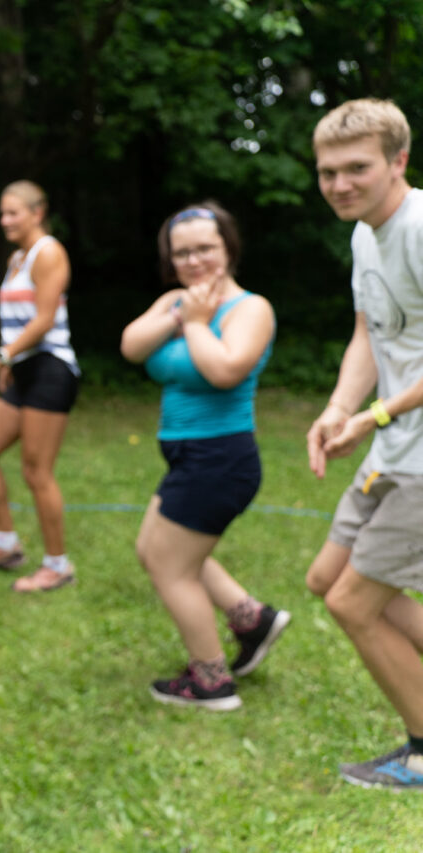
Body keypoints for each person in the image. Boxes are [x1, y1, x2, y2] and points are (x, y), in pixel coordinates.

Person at [119, 201, 289, 711]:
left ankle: (212, 681)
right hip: (189, 458)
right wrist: (179, 313)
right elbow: (131, 345)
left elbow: (226, 370)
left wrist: (193, 323)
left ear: (229, 249)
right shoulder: (176, 300)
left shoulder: (250, 309)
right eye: (182, 253)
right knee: (154, 548)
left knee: (172, 568)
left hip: (222, 458)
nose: (193, 261)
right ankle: (251, 619)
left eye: (205, 250)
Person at [304, 97, 423, 789]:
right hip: (392, 446)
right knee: (328, 580)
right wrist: (339, 406)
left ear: (397, 160)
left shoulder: (418, 227)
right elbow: (368, 335)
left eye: (357, 168)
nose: (340, 184)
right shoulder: (362, 234)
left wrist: (373, 416)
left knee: (354, 601)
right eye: (328, 171)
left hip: (417, 455)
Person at [0, 181, 80, 592]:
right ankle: (6, 544)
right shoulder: (17, 259)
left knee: (36, 471)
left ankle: (58, 565)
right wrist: (11, 361)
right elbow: (20, 318)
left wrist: (0, 356)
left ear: (37, 212)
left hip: (51, 369)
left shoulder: (49, 252)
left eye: (14, 212)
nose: (5, 220)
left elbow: (44, 319)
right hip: (24, 369)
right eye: (2, 213)